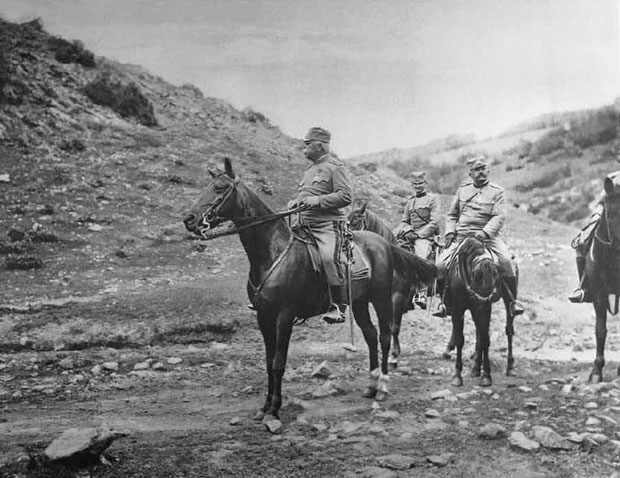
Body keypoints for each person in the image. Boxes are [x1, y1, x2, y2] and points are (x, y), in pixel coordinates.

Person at [433, 156, 524, 317]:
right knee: (440, 265)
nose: (481, 172)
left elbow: (499, 216)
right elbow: (452, 215)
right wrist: (450, 232)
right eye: (476, 169)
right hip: (462, 237)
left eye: (483, 168)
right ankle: (445, 303)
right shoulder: (463, 190)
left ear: (488, 170)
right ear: (470, 173)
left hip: (488, 239)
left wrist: (485, 232)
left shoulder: (497, 191)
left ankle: (512, 302)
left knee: (506, 261)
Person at [288, 127, 352, 323]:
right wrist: (295, 202)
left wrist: (318, 201)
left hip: (327, 225)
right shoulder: (309, 171)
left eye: (307, 144)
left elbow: (345, 196)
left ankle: (338, 306)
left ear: (320, 145)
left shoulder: (335, 168)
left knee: (327, 258)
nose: (304, 148)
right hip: (303, 224)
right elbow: (306, 195)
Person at [568, 170, 620, 303]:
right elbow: (603, 200)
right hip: (609, 209)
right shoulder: (613, 178)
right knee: (582, 243)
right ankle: (585, 288)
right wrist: (596, 217)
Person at [393, 171, 440, 309]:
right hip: (411, 234)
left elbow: (434, 222)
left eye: (420, 183)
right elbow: (405, 221)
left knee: (420, 257)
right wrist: (396, 233)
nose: (418, 186)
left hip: (425, 237)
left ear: (426, 183)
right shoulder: (410, 201)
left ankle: (421, 293)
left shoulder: (433, 199)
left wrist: (419, 235)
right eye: (415, 184)